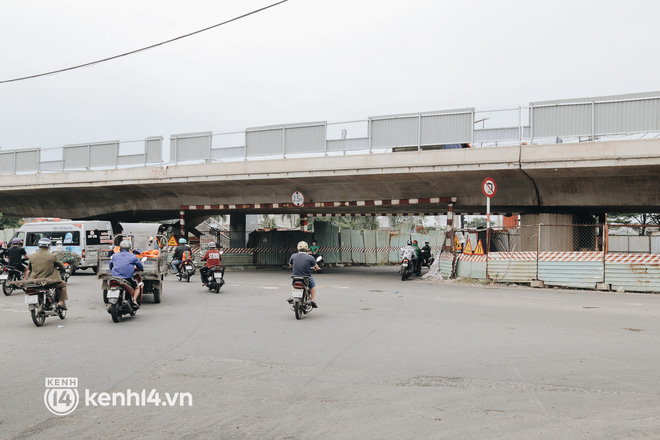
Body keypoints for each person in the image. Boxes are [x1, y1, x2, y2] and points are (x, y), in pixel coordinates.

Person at [25, 238, 68, 309]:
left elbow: (29, 268)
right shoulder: (52, 256)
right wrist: (64, 268)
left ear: (39, 246)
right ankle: (60, 302)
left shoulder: (32, 255)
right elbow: (61, 265)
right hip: (50, 280)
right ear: (49, 246)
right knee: (63, 285)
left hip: (36, 280)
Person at [108, 240, 143, 307]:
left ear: (120, 248)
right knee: (137, 287)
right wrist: (141, 269)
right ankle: (134, 300)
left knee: (109, 286)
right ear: (129, 249)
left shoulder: (114, 256)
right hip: (127, 278)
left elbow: (110, 265)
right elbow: (140, 266)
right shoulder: (133, 256)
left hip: (115, 277)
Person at [288, 241, 320, 308]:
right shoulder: (310, 257)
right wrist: (318, 269)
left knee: (292, 284)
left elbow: (290, 265)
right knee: (313, 285)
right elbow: (316, 267)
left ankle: (292, 296)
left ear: (298, 248)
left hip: (295, 276)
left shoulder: (293, 256)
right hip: (306, 276)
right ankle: (313, 300)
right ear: (307, 248)